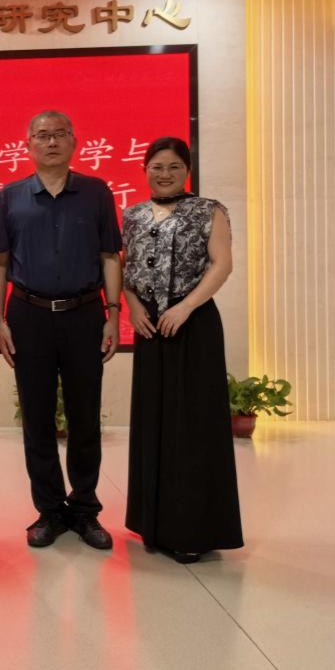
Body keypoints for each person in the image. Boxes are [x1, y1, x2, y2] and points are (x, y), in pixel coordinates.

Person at [0, 110, 123, 551]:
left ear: (74, 141)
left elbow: (109, 256)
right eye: (42, 136)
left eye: (59, 134)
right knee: (37, 418)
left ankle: (84, 510)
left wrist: (113, 313)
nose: (51, 142)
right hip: (28, 315)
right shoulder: (10, 196)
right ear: (28, 144)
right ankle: (48, 511)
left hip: (85, 314)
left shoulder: (97, 192)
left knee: (85, 416)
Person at [122, 136, 243, 564]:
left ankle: (194, 530)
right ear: (145, 170)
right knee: (153, 421)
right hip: (150, 327)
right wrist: (134, 307)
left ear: (187, 170)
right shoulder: (133, 215)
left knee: (193, 427)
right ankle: (153, 524)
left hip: (193, 325)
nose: (165, 174)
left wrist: (186, 307)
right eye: (157, 166)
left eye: (174, 166)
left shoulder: (210, 210)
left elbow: (222, 265)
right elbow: (125, 271)